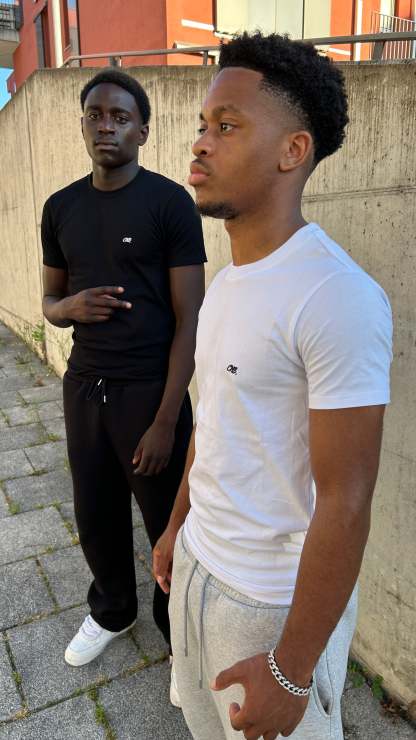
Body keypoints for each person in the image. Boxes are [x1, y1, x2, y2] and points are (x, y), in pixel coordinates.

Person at [153, 32, 392, 739]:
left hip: (268, 607)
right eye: (203, 123)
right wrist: (176, 528)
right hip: (197, 565)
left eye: (226, 126)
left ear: (294, 150)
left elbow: (347, 500)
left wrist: (291, 670)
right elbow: (215, 423)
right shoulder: (227, 284)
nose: (200, 143)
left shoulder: (336, 296)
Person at [41, 69, 206, 699]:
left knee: (167, 520)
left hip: (148, 391)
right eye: (95, 115)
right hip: (85, 386)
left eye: (119, 116)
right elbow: (50, 302)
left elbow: (190, 318)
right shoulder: (61, 208)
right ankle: (113, 609)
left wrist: (166, 419)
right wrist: (70, 307)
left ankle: (177, 636)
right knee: (95, 509)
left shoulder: (169, 204)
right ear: (83, 125)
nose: (105, 126)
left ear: (143, 129)